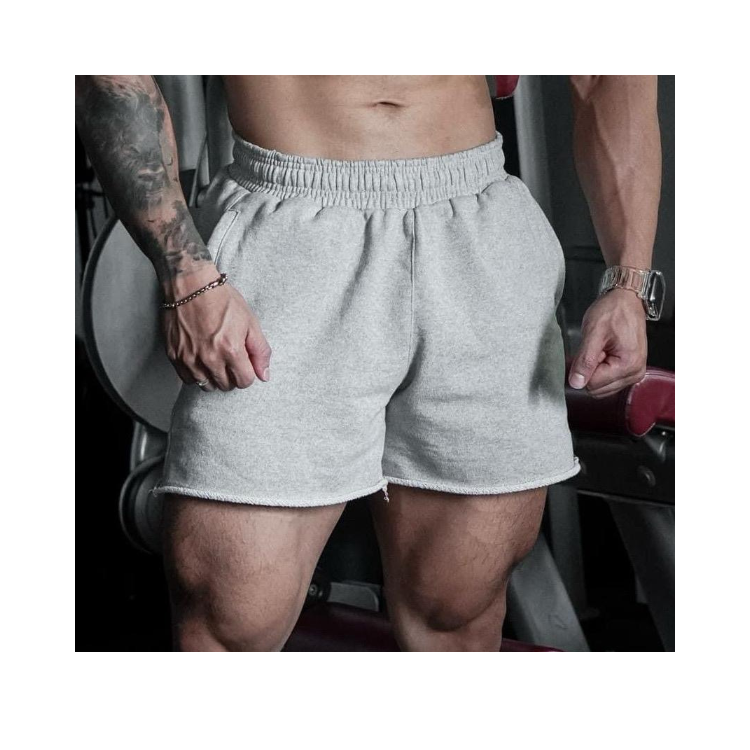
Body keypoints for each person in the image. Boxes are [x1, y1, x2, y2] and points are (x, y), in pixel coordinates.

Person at [75, 75, 661, 651]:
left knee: (457, 614)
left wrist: (629, 281)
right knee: (231, 619)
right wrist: (185, 274)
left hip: (480, 229)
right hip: (286, 229)